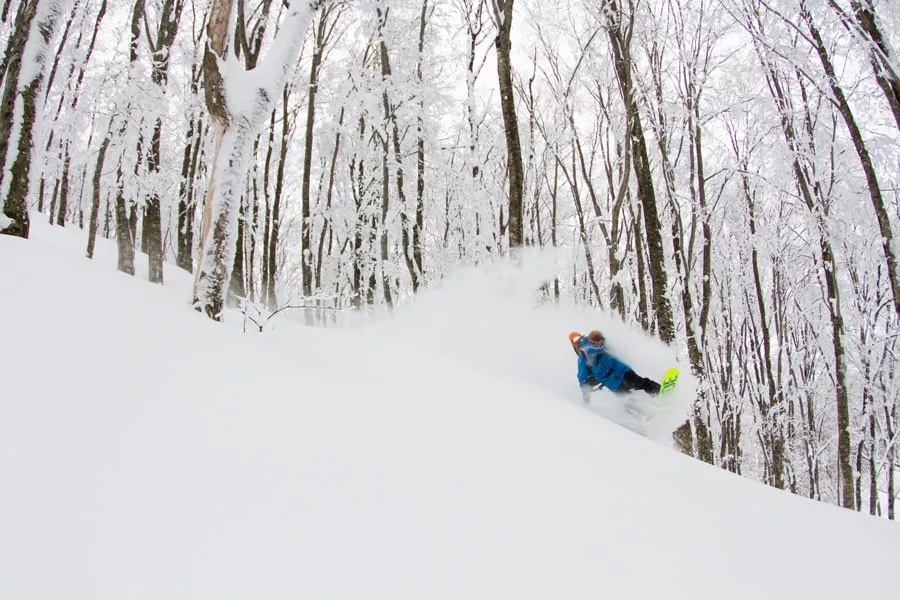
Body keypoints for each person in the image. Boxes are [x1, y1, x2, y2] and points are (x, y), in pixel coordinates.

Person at [576, 330, 660, 402]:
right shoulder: (585, 356)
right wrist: (586, 395)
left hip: (624, 372)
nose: (600, 344)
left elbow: (620, 351)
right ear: (591, 343)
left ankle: (659, 392)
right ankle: (642, 415)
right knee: (628, 400)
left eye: (601, 341)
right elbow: (582, 378)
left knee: (641, 383)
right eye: (597, 343)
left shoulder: (605, 346)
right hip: (613, 384)